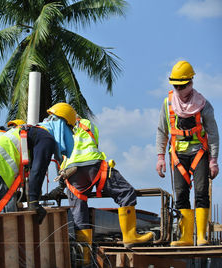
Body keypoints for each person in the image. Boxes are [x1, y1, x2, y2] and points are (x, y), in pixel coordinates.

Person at [48, 117, 153, 264]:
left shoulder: (57, 131)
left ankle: (84, 257)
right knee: (125, 192)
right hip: (93, 165)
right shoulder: (86, 123)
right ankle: (130, 237)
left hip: (71, 173)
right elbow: (94, 143)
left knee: (78, 210)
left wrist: (61, 185)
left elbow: (60, 158)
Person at [0, 103, 76, 224]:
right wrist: (33, 203)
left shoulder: (34, 132)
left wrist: (31, 197)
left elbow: (31, 170)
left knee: (5, 216)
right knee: (7, 220)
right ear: (63, 125)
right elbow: (37, 171)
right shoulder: (46, 139)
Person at [155, 60, 219, 246]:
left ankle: (201, 236)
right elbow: (162, 130)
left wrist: (213, 160)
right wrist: (160, 157)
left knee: (201, 193)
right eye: (176, 86)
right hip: (178, 155)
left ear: (191, 83)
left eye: (182, 85)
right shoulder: (168, 104)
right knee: (181, 194)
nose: (179, 89)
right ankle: (184, 237)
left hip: (199, 152)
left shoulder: (203, 105)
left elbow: (213, 133)